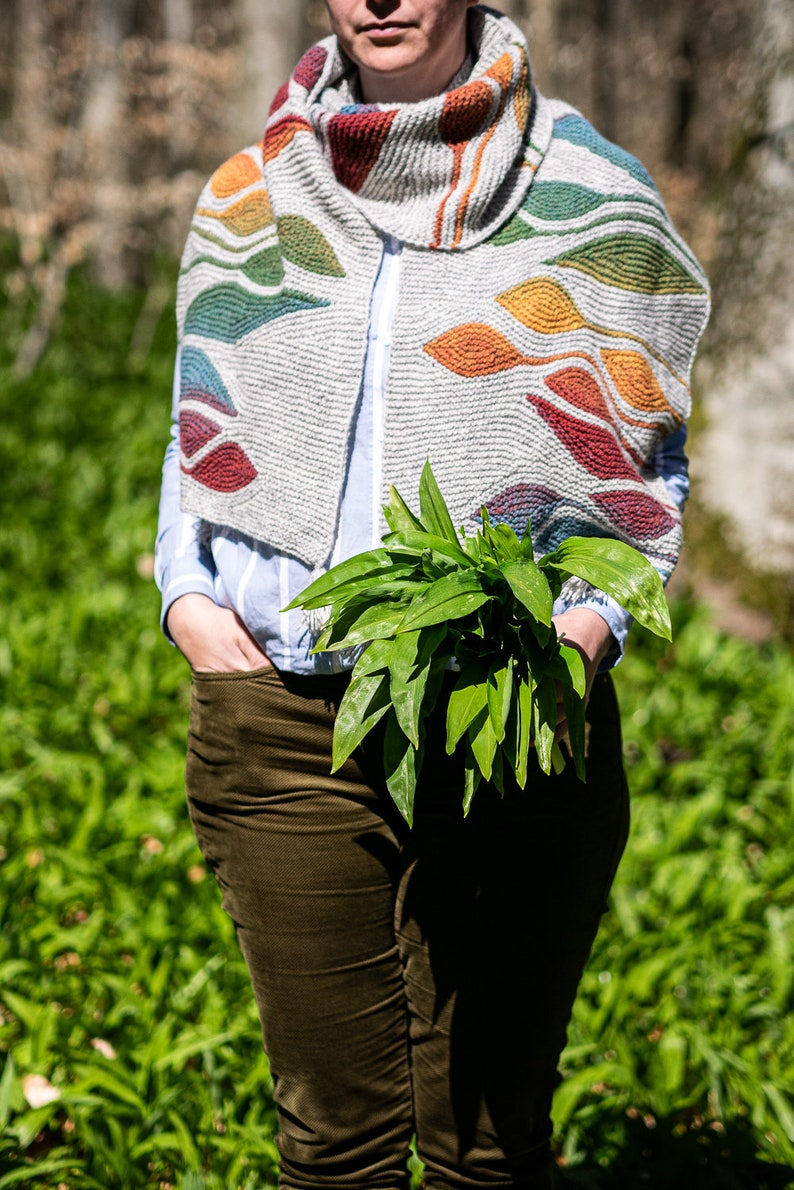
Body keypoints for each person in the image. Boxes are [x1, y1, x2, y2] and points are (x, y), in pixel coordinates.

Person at [155, 2, 709, 1186]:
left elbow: (646, 462)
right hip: (285, 713)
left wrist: (582, 633)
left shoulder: (589, 191)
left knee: (487, 1144)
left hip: (506, 713)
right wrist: (187, 603)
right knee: (333, 1143)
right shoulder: (254, 187)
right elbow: (200, 419)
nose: (383, 0)